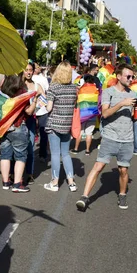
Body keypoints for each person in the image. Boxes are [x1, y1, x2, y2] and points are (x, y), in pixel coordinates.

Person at [76, 64, 137, 211]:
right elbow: (105, 114)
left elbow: (133, 118)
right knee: (98, 166)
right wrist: (122, 103)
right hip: (110, 137)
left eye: (132, 76)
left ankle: (122, 195)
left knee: (123, 171)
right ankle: (84, 197)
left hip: (126, 138)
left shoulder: (133, 95)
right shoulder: (108, 92)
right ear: (118, 76)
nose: (130, 79)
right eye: (128, 76)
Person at [0, 75, 39, 193]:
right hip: (18, 126)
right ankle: (17, 184)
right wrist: (35, 99)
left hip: (4, 127)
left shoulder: (2, 93)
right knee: (20, 156)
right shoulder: (22, 94)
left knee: (5, 155)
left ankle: (5, 182)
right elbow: (29, 111)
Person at [44, 61, 78, 192]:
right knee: (66, 154)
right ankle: (71, 182)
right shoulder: (73, 88)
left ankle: (54, 182)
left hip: (54, 124)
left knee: (55, 154)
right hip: (67, 125)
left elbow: (49, 108)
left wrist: (44, 104)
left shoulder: (54, 87)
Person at [22, 62, 43, 184]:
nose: (29, 72)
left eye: (30, 70)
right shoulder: (18, 85)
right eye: (26, 70)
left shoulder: (36, 85)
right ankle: (14, 173)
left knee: (30, 147)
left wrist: (39, 99)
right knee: (18, 148)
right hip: (19, 119)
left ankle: (29, 173)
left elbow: (43, 99)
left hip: (30, 119)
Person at [71, 74, 99, 156]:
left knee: (80, 132)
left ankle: (76, 149)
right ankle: (87, 150)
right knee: (89, 133)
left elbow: (76, 100)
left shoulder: (81, 89)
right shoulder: (96, 90)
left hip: (82, 114)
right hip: (93, 114)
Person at [32, 62, 50, 163]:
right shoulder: (43, 78)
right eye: (38, 67)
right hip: (42, 109)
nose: (40, 68)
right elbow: (46, 91)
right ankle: (42, 154)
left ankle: (30, 154)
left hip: (32, 109)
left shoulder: (28, 80)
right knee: (43, 132)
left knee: (31, 133)